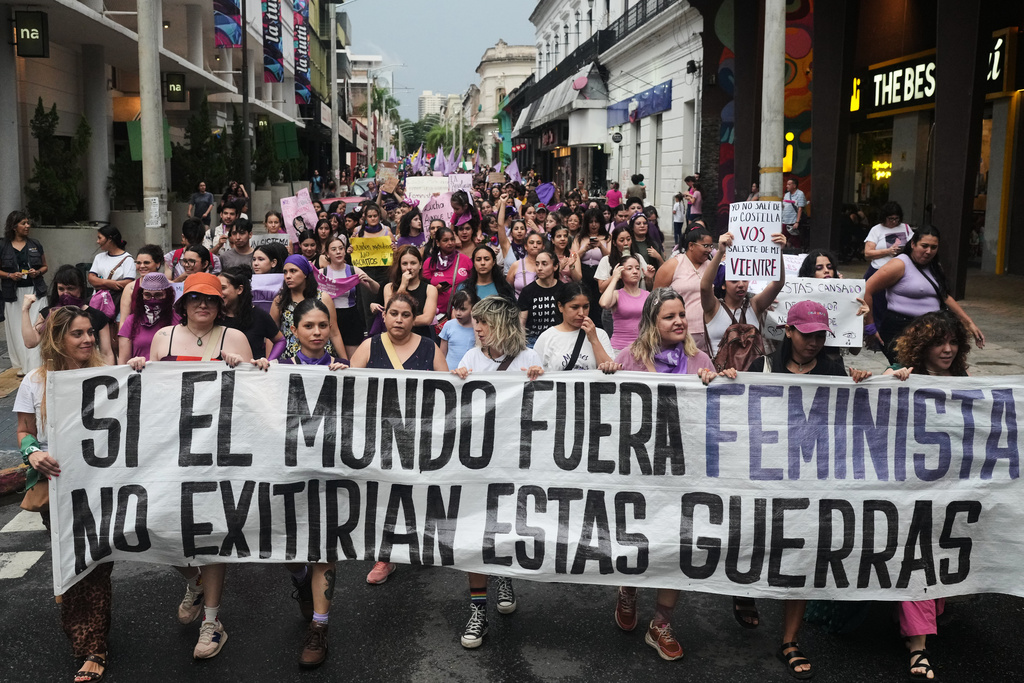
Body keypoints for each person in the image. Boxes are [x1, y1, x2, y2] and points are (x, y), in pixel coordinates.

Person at [127, 273, 253, 660]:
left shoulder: (234, 338)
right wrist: (137, 366)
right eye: (196, 298)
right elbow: (147, 390)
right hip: (170, 452)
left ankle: (212, 623)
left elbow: (257, 396)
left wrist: (243, 368)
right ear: (183, 303)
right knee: (155, 527)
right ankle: (194, 581)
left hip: (217, 455)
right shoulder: (162, 337)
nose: (204, 305)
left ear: (221, 306)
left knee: (212, 535)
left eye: (212, 300)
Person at [746, 300, 871, 679]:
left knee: (800, 556)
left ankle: (790, 639)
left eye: (820, 336)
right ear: (788, 331)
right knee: (752, 544)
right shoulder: (763, 366)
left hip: (810, 480)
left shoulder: (833, 370)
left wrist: (870, 383)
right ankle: (743, 594)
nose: (814, 342)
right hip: (763, 479)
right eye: (807, 334)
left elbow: (852, 415)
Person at [605, 288, 730, 662]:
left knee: (677, 544)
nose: (678, 322)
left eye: (681, 315)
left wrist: (721, 380)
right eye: (668, 316)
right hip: (639, 472)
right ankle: (628, 590)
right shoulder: (628, 358)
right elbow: (609, 412)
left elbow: (719, 410)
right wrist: (608, 375)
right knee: (636, 537)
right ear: (651, 323)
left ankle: (661, 622)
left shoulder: (700, 360)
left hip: (684, 474)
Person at [16, 305, 111, 682]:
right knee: (71, 560)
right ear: (58, 339)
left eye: (90, 332)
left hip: (102, 487)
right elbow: (24, 431)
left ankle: (94, 646)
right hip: (56, 486)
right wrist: (33, 452)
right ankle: (84, 634)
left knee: (96, 563)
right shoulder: (34, 383)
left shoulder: (108, 376)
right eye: (78, 334)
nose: (88, 339)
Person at [451, 295, 543, 649]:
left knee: (505, 525)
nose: (477, 328)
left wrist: (540, 378)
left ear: (502, 324)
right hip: (478, 460)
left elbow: (549, 402)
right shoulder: (472, 357)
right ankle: (478, 609)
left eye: (484, 322)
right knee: (476, 531)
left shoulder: (529, 357)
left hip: (517, 459)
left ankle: (503, 575)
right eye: (476, 322)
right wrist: (457, 378)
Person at [350, 292, 448, 585]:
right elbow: (347, 387)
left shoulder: (430, 348)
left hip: (420, 433)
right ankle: (385, 556)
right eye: (394, 314)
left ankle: (422, 544)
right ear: (384, 315)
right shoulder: (370, 346)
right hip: (378, 434)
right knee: (384, 494)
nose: (399, 320)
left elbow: (448, 389)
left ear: (414, 318)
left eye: (406, 315)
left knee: (419, 491)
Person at [862, 226, 984, 362]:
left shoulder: (934, 266)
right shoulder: (899, 264)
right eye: (924, 246)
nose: (928, 251)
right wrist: (870, 327)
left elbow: (944, 296)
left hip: (931, 329)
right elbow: (866, 290)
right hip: (900, 329)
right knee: (907, 372)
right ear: (913, 244)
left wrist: (969, 323)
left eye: (933, 247)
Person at [700, 231, 787, 363]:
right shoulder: (713, 308)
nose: (741, 285)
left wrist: (778, 251)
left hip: (752, 376)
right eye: (734, 281)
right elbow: (704, 287)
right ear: (723, 285)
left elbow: (778, 284)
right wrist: (720, 252)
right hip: (720, 376)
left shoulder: (755, 305)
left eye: (745, 280)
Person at [22, 265, 115, 365]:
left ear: (80, 288)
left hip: (88, 369)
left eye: (70, 289)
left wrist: (108, 377)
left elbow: (106, 353)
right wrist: (25, 310)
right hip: (58, 369)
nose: (66, 293)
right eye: (61, 289)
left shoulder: (97, 316)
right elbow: (30, 343)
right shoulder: (48, 314)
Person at [271, 255, 345, 359]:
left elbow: (334, 333)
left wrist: (345, 361)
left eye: (293, 271)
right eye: (285, 272)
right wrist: (269, 361)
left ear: (305, 273)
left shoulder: (323, 298)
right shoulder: (279, 301)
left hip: (322, 358)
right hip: (290, 361)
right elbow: (272, 335)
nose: (288, 276)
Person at [1, 211, 48, 375]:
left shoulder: (35, 243)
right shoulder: (3, 245)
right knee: (17, 328)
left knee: (37, 325)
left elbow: (45, 266)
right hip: (13, 294)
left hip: (35, 291)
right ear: (14, 227)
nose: (27, 226)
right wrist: (9, 275)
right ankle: (22, 365)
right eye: (23, 223)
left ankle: (35, 364)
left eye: (28, 223)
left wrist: (38, 272)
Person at [654, 227, 714, 354]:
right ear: (691, 245)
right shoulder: (673, 265)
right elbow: (655, 300)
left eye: (711, 246)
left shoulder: (712, 266)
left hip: (709, 333)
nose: (709, 250)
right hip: (680, 334)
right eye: (705, 246)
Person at [534, 282, 617, 371]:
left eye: (585, 307)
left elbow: (610, 370)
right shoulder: (547, 337)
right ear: (560, 306)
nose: (581, 313)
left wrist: (594, 340)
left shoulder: (600, 335)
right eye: (574, 307)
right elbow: (536, 371)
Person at [322, 236, 378, 358]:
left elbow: (376, 290)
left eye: (341, 248)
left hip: (351, 318)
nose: (338, 252)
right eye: (334, 249)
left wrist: (369, 280)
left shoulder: (353, 270)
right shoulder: (322, 273)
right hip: (329, 318)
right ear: (327, 253)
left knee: (352, 360)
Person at [862, 201, 913, 326]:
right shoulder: (877, 230)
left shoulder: (905, 228)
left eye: (897, 219)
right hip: (879, 269)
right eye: (891, 219)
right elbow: (868, 253)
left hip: (900, 269)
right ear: (884, 217)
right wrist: (888, 251)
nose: (894, 222)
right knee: (878, 304)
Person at [219, 266, 286, 360]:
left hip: (251, 373)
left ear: (239, 289)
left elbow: (280, 340)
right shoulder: (214, 316)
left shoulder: (259, 316)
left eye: (223, 288)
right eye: (216, 288)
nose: (218, 292)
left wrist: (270, 362)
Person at [373, 245, 437, 341]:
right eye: (405, 264)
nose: (409, 267)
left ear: (420, 265)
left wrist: (400, 322)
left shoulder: (430, 289)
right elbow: (390, 314)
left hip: (421, 338)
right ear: (400, 266)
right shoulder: (389, 288)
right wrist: (402, 286)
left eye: (413, 263)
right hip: (395, 339)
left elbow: (427, 319)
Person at [117, 272, 178, 361]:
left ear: (167, 295)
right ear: (141, 296)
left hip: (170, 373)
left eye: (158, 295)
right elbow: (123, 362)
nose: (152, 300)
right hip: (140, 373)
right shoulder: (131, 321)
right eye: (147, 295)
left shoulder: (178, 320)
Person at [599, 255, 650, 352]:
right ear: (621, 273)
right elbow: (604, 303)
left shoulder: (647, 295)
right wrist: (614, 278)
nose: (635, 271)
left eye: (637, 268)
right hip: (619, 348)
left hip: (643, 349)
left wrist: (649, 279)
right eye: (629, 268)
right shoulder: (617, 294)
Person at [422, 227, 472, 323]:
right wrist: (435, 289)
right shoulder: (429, 263)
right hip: (437, 317)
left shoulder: (465, 260)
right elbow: (423, 288)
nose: (450, 243)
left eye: (452, 239)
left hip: (461, 314)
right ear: (438, 242)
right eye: (445, 240)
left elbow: (472, 284)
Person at [517, 251, 565, 347]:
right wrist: (522, 345)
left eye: (544, 264)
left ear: (555, 266)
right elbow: (521, 322)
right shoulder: (528, 291)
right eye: (537, 264)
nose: (539, 268)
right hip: (533, 340)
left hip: (558, 339)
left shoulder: (563, 289)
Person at [88, 225, 136, 314]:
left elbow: (128, 283)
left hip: (118, 302)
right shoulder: (99, 257)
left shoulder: (128, 259)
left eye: (100, 238)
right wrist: (110, 283)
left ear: (109, 239)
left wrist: (100, 283)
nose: (97, 241)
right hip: (98, 302)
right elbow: (91, 278)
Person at [119, 245, 165, 322]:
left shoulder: (169, 285)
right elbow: (124, 320)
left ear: (158, 264)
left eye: (146, 263)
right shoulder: (130, 287)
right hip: (136, 332)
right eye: (138, 263)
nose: (142, 266)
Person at [439, 290, 476, 368]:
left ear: (473, 309)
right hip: (450, 373)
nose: (458, 313)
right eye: (455, 308)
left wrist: (475, 324)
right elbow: (442, 354)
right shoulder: (449, 325)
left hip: (471, 373)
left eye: (463, 309)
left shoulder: (478, 328)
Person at [505, 232, 547, 299]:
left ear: (543, 247)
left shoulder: (548, 265)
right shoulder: (516, 265)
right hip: (520, 306)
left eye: (538, 243)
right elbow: (507, 290)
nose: (535, 245)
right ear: (525, 246)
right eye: (531, 242)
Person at [781, 177, 806, 244]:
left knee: (795, 239)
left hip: (793, 220)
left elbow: (800, 208)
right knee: (783, 238)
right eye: (787, 184)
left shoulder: (800, 194)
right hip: (785, 220)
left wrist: (797, 222)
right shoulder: (786, 195)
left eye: (789, 184)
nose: (787, 186)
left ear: (794, 186)